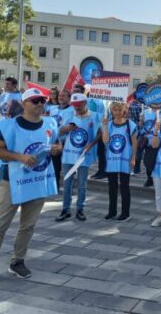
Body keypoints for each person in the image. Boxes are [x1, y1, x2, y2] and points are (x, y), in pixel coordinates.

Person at [0, 88, 61, 291]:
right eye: (35, 100)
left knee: (28, 225)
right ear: (25, 103)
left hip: (38, 180)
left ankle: (17, 260)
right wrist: (20, 157)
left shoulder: (50, 123)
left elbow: (57, 145)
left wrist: (56, 149)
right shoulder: (9, 126)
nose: (39, 104)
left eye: (42, 100)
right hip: (12, 181)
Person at [56, 93, 102, 222]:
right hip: (68, 154)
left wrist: (91, 144)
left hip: (83, 155)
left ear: (85, 103)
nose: (76, 108)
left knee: (82, 184)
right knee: (67, 183)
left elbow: (100, 133)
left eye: (78, 105)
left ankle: (80, 209)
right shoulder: (69, 114)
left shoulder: (95, 116)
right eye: (74, 105)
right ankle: (65, 210)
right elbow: (59, 131)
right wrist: (66, 128)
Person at [102, 102, 137, 222]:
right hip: (112, 159)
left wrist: (133, 158)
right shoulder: (109, 124)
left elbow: (134, 142)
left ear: (124, 111)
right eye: (115, 110)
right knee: (112, 187)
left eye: (119, 110)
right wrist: (105, 126)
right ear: (112, 111)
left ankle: (125, 213)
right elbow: (105, 141)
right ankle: (112, 211)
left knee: (124, 187)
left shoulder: (130, 124)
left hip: (125, 160)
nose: (117, 112)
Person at [48, 89, 74, 191]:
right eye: (60, 96)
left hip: (66, 141)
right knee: (55, 165)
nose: (61, 97)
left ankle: (68, 187)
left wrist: (68, 128)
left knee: (67, 165)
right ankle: (55, 187)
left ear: (69, 98)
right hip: (54, 141)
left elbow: (75, 123)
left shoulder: (72, 109)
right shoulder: (52, 109)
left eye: (64, 96)